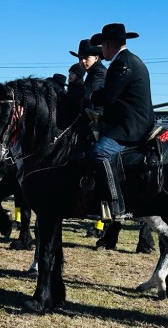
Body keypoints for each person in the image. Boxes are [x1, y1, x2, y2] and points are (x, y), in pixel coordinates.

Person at [88, 23, 154, 219]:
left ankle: (115, 205)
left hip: (130, 126)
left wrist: (91, 96)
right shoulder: (133, 60)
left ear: (108, 45)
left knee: (100, 152)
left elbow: (109, 97)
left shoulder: (121, 63)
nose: (101, 50)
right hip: (135, 121)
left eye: (102, 46)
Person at [66, 38, 106, 107]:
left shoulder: (99, 73)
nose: (83, 61)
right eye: (80, 58)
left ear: (96, 58)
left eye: (86, 58)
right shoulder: (93, 72)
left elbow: (91, 98)